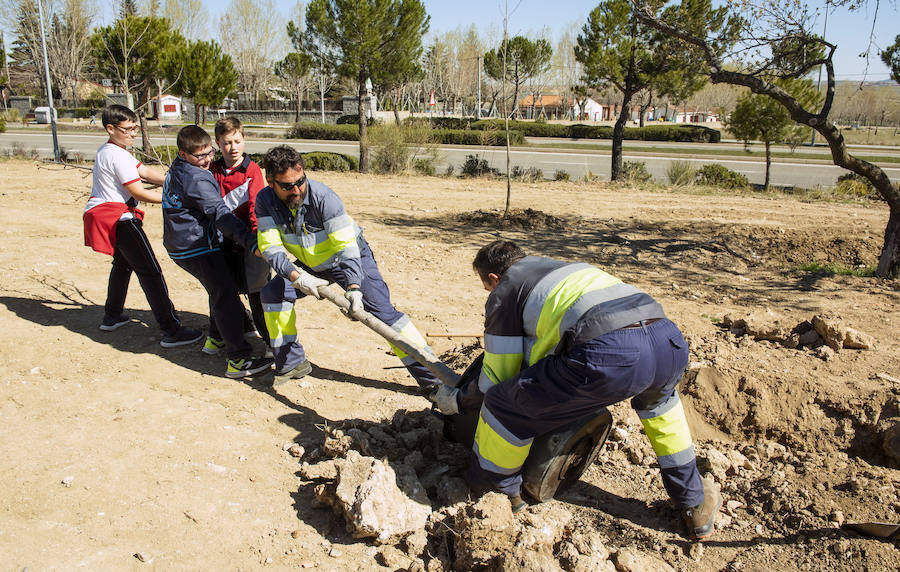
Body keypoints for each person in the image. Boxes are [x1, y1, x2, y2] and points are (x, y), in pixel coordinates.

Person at [431, 240, 721, 540]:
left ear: (493, 278)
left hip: (611, 352)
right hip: (667, 341)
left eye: (487, 288)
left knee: (504, 405)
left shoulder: (506, 289)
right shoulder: (564, 269)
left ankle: (497, 495)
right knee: (663, 415)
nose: (490, 294)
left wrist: (457, 401)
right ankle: (694, 505)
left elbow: (496, 378)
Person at [255, 145, 439, 387]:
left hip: (348, 259)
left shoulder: (324, 198)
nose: (297, 190)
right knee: (273, 294)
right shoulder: (265, 201)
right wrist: (297, 276)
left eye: (300, 182)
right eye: (287, 186)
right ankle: (291, 362)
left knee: (382, 313)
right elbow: (271, 248)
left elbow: (346, 247)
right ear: (271, 182)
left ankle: (434, 379)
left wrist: (353, 287)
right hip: (310, 267)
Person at [82, 104, 202, 348]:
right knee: (151, 271)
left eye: (135, 127)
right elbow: (138, 191)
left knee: (123, 265)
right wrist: (178, 199)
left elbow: (144, 171)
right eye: (128, 129)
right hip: (119, 218)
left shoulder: (115, 150)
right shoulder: (115, 154)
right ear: (110, 128)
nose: (134, 133)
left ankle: (112, 315)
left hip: (108, 215)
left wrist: (175, 180)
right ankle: (171, 329)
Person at [161, 125, 274, 379]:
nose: (207, 160)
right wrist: (251, 242)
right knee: (227, 297)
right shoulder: (198, 177)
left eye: (208, 153)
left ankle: (221, 337)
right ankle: (239, 360)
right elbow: (221, 214)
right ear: (183, 153)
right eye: (200, 156)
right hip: (196, 247)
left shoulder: (178, 169)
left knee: (221, 291)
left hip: (180, 245)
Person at [207, 117, 271, 356]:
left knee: (258, 291)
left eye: (236, 141)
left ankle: (269, 341)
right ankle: (217, 336)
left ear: (244, 140)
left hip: (249, 241)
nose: (232, 147)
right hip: (221, 242)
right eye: (226, 142)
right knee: (221, 290)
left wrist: (256, 239)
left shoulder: (252, 170)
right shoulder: (212, 170)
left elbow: (256, 206)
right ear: (217, 143)